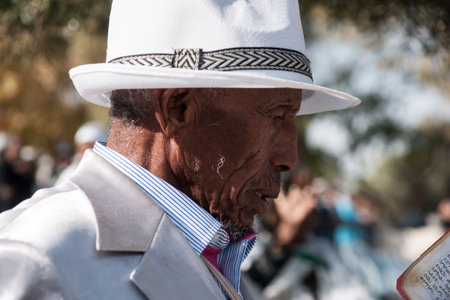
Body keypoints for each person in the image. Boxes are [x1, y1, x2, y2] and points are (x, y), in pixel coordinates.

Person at [0, 0, 360, 299]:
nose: (289, 158)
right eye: (276, 116)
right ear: (180, 109)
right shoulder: (38, 261)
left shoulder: (215, 255)